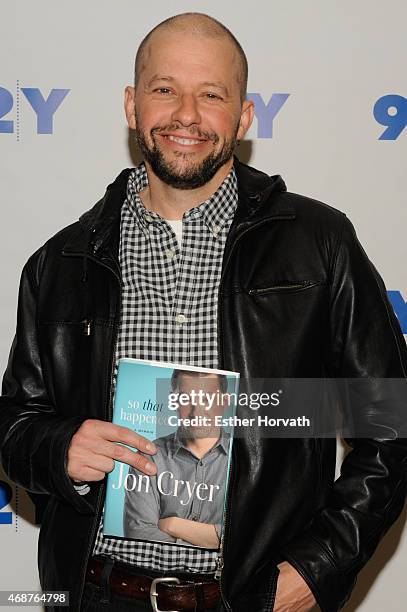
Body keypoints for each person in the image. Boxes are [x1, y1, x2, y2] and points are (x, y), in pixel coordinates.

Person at [0, 10, 406, 612]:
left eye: (210, 94)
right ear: (132, 105)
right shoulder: (63, 261)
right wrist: (58, 448)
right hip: (100, 594)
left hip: (254, 598)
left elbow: (391, 419)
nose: (186, 115)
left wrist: (316, 571)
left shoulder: (319, 242)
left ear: (243, 117)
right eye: (164, 90)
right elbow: (15, 424)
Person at [123, 371, 231, 548]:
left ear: (224, 403)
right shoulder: (149, 455)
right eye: (185, 399)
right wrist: (211, 540)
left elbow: (247, 538)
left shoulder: (246, 460)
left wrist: (173, 525)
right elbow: (138, 533)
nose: (196, 412)